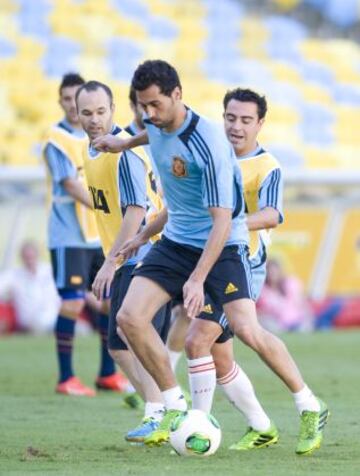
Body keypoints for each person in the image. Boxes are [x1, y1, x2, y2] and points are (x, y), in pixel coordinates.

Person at [95, 70, 329, 456]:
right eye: (143, 106)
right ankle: (174, 406)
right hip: (176, 242)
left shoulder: (211, 148)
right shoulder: (158, 124)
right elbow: (155, 142)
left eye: (156, 104)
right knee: (129, 317)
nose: (149, 113)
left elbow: (224, 220)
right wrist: (122, 145)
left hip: (225, 246)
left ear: (177, 95)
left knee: (245, 330)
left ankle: (308, 404)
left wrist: (196, 279)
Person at [76, 80, 170, 442]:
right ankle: (164, 405)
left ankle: (162, 409)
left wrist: (110, 263)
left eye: (101, 111)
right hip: (129, 255)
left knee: (133, 338)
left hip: (146, 254)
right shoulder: (92, 150)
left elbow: (135, 211)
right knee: (120, 344)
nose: (95, 119)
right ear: (77, 114)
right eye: (87, 113)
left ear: (113, 109)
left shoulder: (124, 152)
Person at [43, 73, 128, 396]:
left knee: (107, 303)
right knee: (73, 302)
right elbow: (69, 184)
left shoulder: (103, 138)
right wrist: (109, 205)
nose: (75, 107)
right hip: (69, 236)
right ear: (66, 103)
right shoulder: (56, 139)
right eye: (67, 100)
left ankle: (107, 373)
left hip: (99, 237)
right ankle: (66, 377)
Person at [0, 240, 60, 334]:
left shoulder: (50, 271)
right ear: (22, 258)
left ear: (38, 255)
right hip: (31, 324)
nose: (30, 260)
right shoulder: (14, 275)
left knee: (81, 330)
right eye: (27, 257)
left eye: (32, 256)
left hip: (55, 319)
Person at [257, 258, 314, 332]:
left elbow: (301, 302)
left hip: (296, 320)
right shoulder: (263, 290)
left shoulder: (290, 283)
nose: (272, 274)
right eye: (270, 271)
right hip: (275, 322)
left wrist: (308, 316)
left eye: (274, 271)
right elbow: (261, 310)